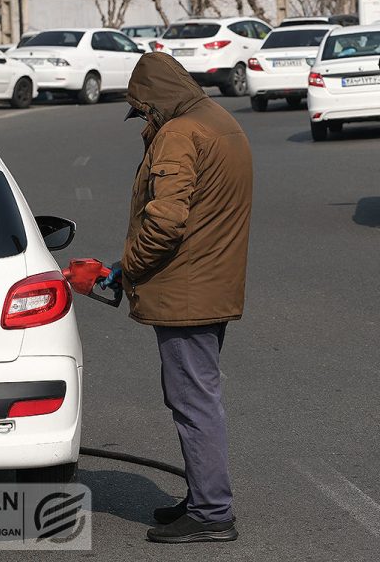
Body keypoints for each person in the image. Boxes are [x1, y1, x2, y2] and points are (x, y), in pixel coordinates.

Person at [102, 52, 253, 543]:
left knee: (193, 400)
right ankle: (203, 496)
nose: (143, 120)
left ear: (155, 101)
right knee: (192, 394)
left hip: (187, 292)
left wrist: (132, 268)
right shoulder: (219, 121)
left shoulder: (178, 134)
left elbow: (165, 222)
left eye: (143, 111)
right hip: (208, 282)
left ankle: (211, 513)